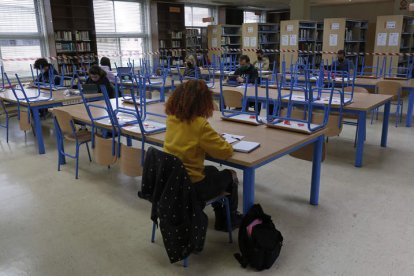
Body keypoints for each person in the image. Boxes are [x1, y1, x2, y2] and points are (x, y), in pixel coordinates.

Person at [164, 80, 242, 231]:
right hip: (192, 186)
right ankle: (228, 221)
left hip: (172, 181)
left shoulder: (171, 119)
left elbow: (188, 140)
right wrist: (218, 139)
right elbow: (225, 152)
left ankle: (224, 217)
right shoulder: (200, 124)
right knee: (230, 175)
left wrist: (209, 139)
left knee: (212, 170)